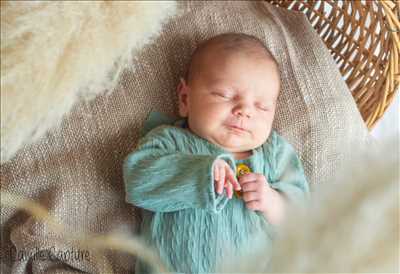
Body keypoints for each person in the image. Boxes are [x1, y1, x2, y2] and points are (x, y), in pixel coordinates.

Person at [123, 32, 310, 273]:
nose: (245, 111)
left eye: (262, 106)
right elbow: (138, 182)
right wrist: (198, 176)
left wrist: (273, 202)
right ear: (184, 98)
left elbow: (304, 222)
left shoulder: (273, 155)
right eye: (225, 95)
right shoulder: (170, 141)